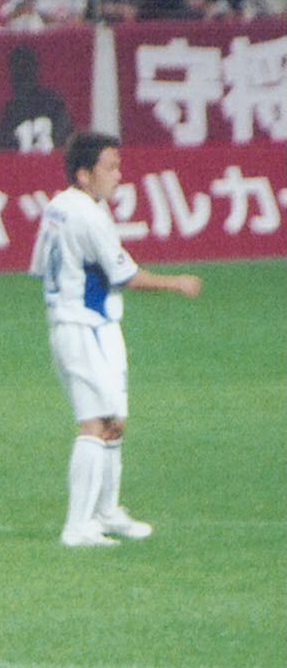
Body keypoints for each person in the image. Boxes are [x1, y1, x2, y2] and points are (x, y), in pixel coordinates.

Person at [28, 132, 203, 548]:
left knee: (115, 420)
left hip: (94, 325)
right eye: (109, 167)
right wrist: (176, 283)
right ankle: (78, 527)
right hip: (83, 326)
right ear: (84, 174)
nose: (118, 175)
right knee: (94, 423)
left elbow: (39, 266)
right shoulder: (88, 217)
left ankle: (106, 512)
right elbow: (126, 275)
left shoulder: (57, 207)